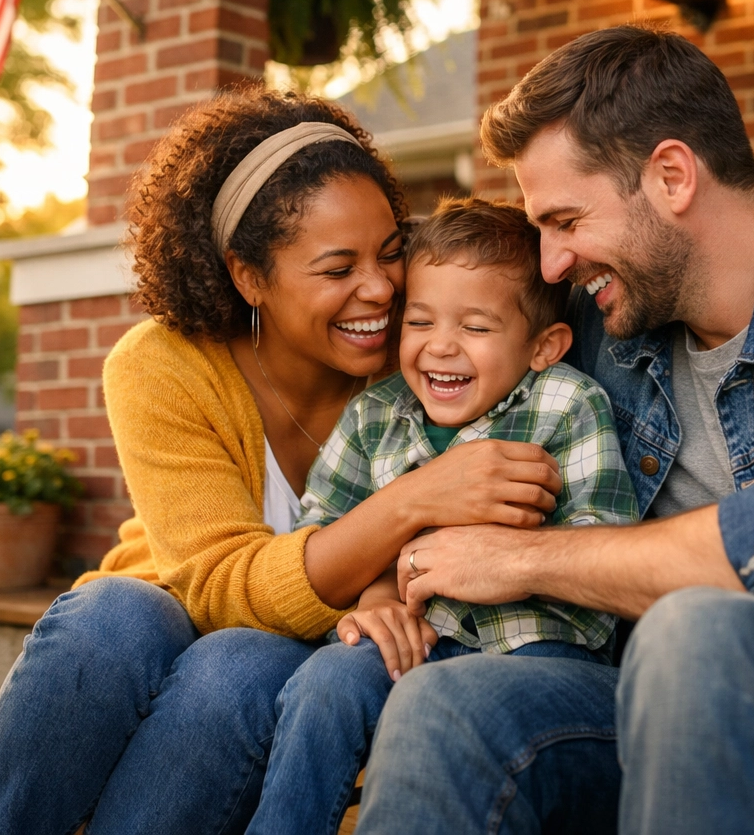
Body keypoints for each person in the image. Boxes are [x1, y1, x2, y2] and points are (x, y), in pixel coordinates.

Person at [355, 26, 754, 835]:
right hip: (638, 691)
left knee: (696, 634)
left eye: (565, 220)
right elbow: (439, 367)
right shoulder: (609, 319)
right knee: (445, 702)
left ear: (670, 175)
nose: (551, 265)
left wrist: (523, 559)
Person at [0, 89, 563, 835]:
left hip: (307, 662)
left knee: (239, 666)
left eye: (390, 251)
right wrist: (414, 500)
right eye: (337, 267)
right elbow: (215, 583)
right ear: (249, 277)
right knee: (111, 615)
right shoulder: (162, 365)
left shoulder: (430, 363)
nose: (378, 289)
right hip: (175, 615)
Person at [245, 197, 638, 835]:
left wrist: (514, 558)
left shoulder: (567, 405)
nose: (440, 347)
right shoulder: (376, 416)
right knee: (327, 682)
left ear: (544, 346)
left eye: (476, 328)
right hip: (412, 641)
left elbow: (609, 542)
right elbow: (317, 534)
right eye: (420, 322)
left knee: (468, 717)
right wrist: (372, 592)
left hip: (538, 649)